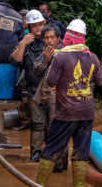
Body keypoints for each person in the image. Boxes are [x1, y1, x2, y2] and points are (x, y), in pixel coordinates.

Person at [35, 19, 102, 187]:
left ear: (68, 36)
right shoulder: (93, 57)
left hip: (66, 112)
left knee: (51, 149)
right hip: (87, 113)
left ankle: (38, 184)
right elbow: (101, 81)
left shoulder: (61, 57)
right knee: (81, 152)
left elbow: (51, 81)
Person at [10, 9, 47, 162]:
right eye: (35, 26)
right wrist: (23, 44)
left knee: (54, 124)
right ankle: (36, 153)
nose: (38, 29)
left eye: (40, 25)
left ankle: (53, 155)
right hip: (33, 89)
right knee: (38, 124)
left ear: (44, 24)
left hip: (52, 89)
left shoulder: (51, 38)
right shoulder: (26, 43)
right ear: (29, 27)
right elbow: (14, 60)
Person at [31, 24, 69, 172]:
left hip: (59, 96)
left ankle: (60, 162)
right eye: (46, 38)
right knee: (39, 126)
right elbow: (36, 73)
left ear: (58, 39)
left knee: (57, 128)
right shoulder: (43, 53)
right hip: (42, 94)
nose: (49, 41)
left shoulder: (65, 53)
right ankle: (38, 155)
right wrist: (45, 61)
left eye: (52, 37)